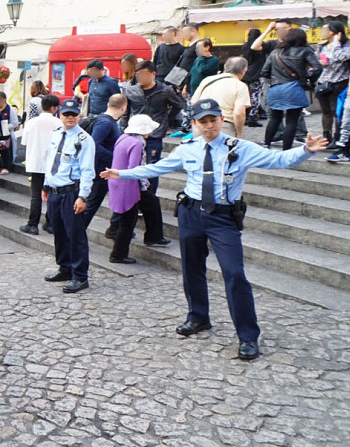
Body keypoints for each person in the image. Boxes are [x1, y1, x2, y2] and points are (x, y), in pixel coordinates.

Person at [101, 98, 329, 361]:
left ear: (222, 120)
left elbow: (277, 159)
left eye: (213, 120)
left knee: (234, 273)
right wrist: (121, 174)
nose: (209, 126)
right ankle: (198, 316)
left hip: (223, 217)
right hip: (190, 212)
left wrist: (306, 150)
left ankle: (247, 336)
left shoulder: (241, 148)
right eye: (203, 121)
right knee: (192, 268)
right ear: (195, 124)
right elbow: (157, 168)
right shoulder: (188, 149)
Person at [42, 98, 95, 294]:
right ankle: (65, 268)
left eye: (74, 114)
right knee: (59, 233)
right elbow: (50, 161)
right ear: (60, 115)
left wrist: (83, 197)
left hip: (71, 192)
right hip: (54, 190)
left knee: (75, 235)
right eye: (66, 114)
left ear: (79, 116)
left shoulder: (84, 140)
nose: (70, 118)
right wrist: (46, 184)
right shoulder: (56, 134)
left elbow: (88, 170)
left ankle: (80, 276)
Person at [105, 114, 165, 265]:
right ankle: (118, 255)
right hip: (129, 185)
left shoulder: (123, 138)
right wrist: (144, 184)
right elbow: (134, 169)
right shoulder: (137, 143)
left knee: (151, 203)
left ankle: (154, 236)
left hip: (119, 182)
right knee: (128, 221)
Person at [262, 27, 322, 150]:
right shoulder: (305, 51)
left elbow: (264, 72)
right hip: (293, 88)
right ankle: (286, 150)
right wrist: (308, 78)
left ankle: (266, 144)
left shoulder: (275, 52)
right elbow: (317, 68)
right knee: (292, 121)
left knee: (275, 118)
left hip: (275, 88)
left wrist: (275, 79)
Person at [18, 93, 61, 235]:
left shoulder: (31, 123)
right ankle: (50, 223)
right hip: (53, 164)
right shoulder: (58, 123)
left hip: (36, 162)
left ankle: (33, 224)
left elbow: (24, 143)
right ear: (54, 108)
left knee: (36, 195)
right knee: (52, 194)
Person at [81, 93, 125, 226]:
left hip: (103, 170)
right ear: (124, 108)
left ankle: (116, 228)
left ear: (108, 104)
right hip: (100, 171)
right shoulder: (105, 122)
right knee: (90, 205)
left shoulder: (105, 121)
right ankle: (76, 233)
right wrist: (114, 158)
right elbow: (94, 145)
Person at [194, 57, 252, 139]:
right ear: (244, 71)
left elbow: (194, 103)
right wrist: (239, 133)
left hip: (201, 124)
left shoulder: (207, 80)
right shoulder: (240, 86)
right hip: (223, 126)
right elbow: (239, 113)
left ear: (225, 66)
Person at [315, 20, 350, 142]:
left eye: (325, 29)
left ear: (333, 32)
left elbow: (340, 57)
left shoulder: (347, 45)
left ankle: (338, 138)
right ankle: (327, 138)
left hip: (339, 83)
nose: (322, 32)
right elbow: (314, 61)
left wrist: (336, 43)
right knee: (326, 112)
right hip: (323, 83)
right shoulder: (322, 46)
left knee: (337, 111)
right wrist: (318, 63)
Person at [0, 92, 18, 174]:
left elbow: (15, 123)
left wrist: (5, 127)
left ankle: (6, 167)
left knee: (6, 151)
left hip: (6, 134)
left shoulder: (10, 109)